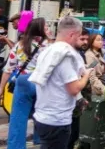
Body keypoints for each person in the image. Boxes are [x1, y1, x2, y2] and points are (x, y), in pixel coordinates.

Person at [30, 16, 91, 149]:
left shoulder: (47, 51)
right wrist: (86, 76)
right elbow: (74, 89)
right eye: (79, 35)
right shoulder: (65, 56)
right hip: (57, 120)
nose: (80, 39)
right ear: (72, 34)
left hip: (42, 116)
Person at [0, 18, 49, 149]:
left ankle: (16, 146)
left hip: (23, 81)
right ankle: (39, 141)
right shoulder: (49, 46)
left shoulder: (19, 45)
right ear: (40, 29)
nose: (49, 28)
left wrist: (0, 89)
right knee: (42, 114)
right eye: (46, 26)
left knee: (18, 118)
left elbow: (9, 68)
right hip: (42, 82)